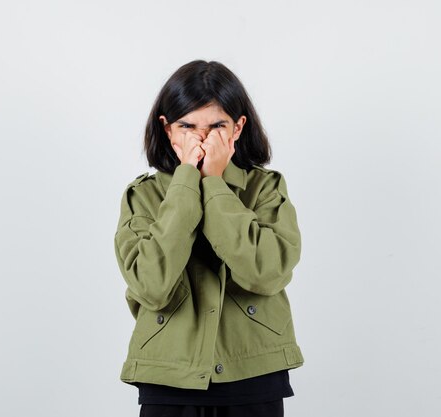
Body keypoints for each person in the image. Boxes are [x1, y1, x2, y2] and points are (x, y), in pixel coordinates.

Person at [113, 59, 304, 417]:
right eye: (187, 126)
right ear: (168, 130)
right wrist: (187, 182)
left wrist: (214, 185)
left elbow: (267, 272)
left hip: (254, 370)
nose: (202, 139)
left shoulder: (266, 188)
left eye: (217, 126)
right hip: (169, 375)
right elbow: (151, 285)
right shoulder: (143, 196)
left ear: (238, 128)